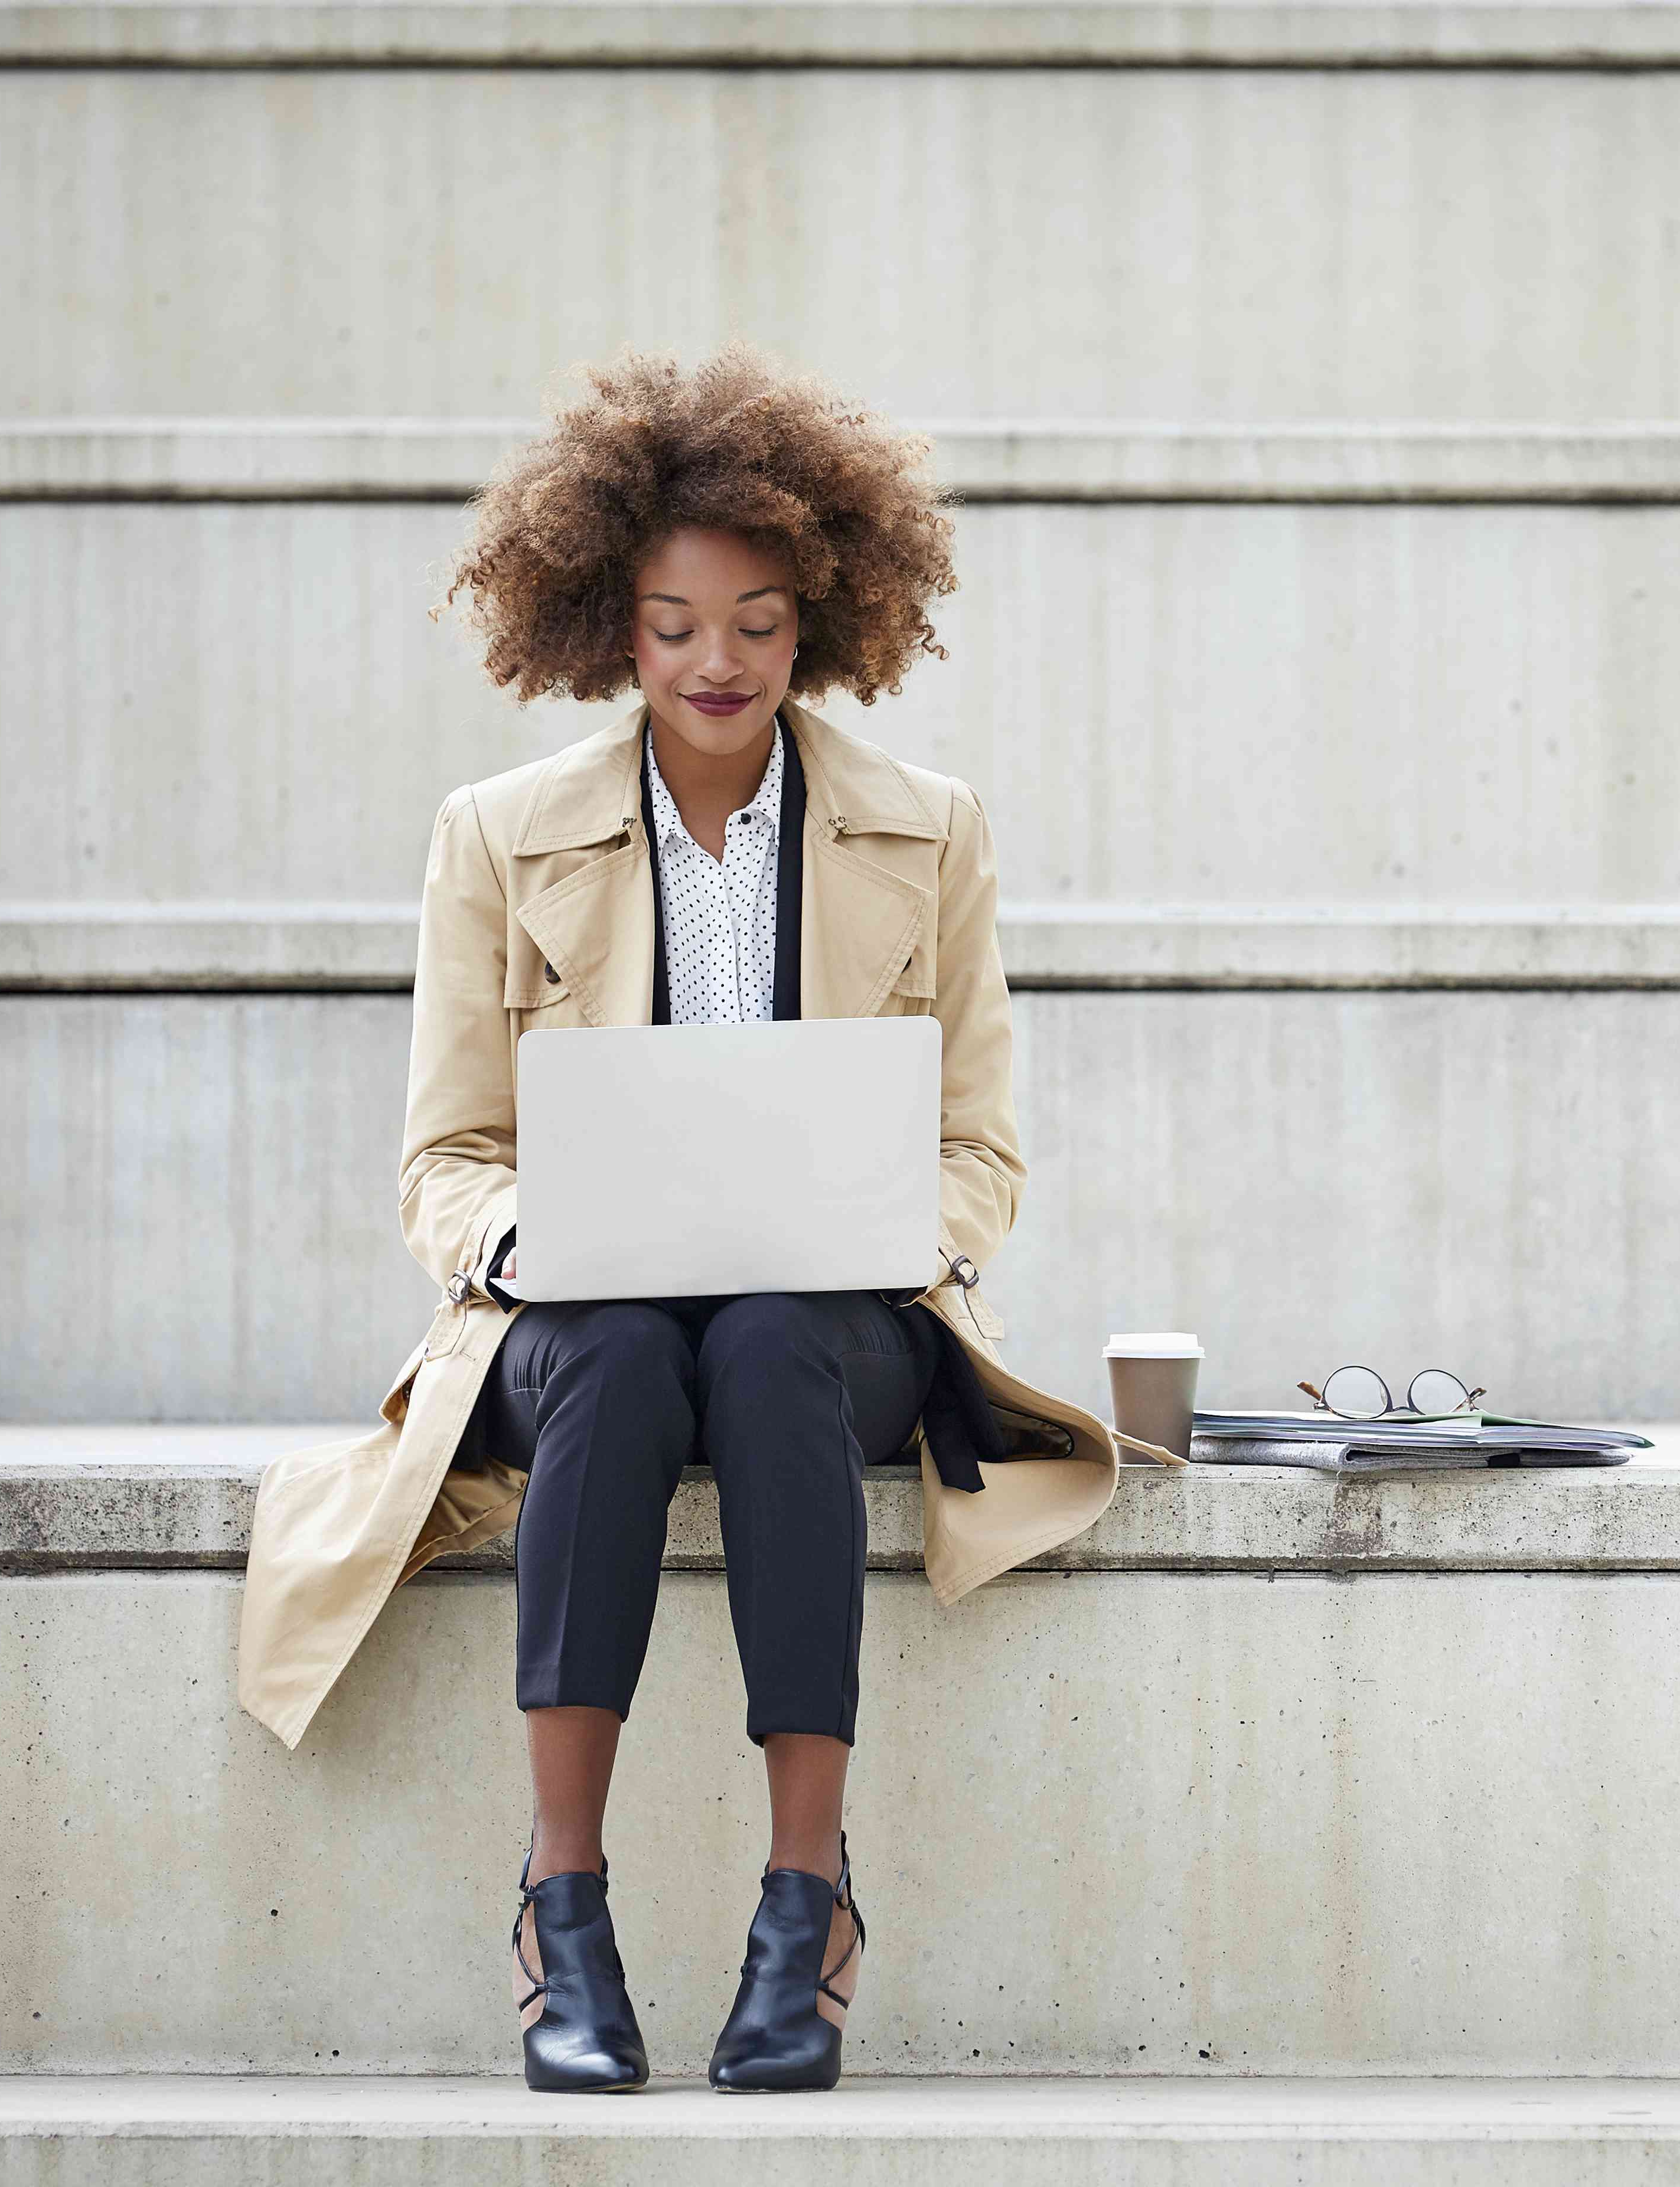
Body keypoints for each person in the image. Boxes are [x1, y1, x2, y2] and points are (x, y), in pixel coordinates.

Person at [234, 345, 1167, 2094]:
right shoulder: (497, 837)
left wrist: (909, 1230)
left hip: (833, 1319)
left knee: (763, 1342)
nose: (715, 662)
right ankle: (561, 1906)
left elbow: (982, 1145)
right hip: (574, 1320)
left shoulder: (928, 829)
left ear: (822, 612)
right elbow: (444, 1154)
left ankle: (802, 1901)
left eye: (752, 619)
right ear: (608, 624)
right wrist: (529, 1238)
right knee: (610, 1351)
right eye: (672, 624)